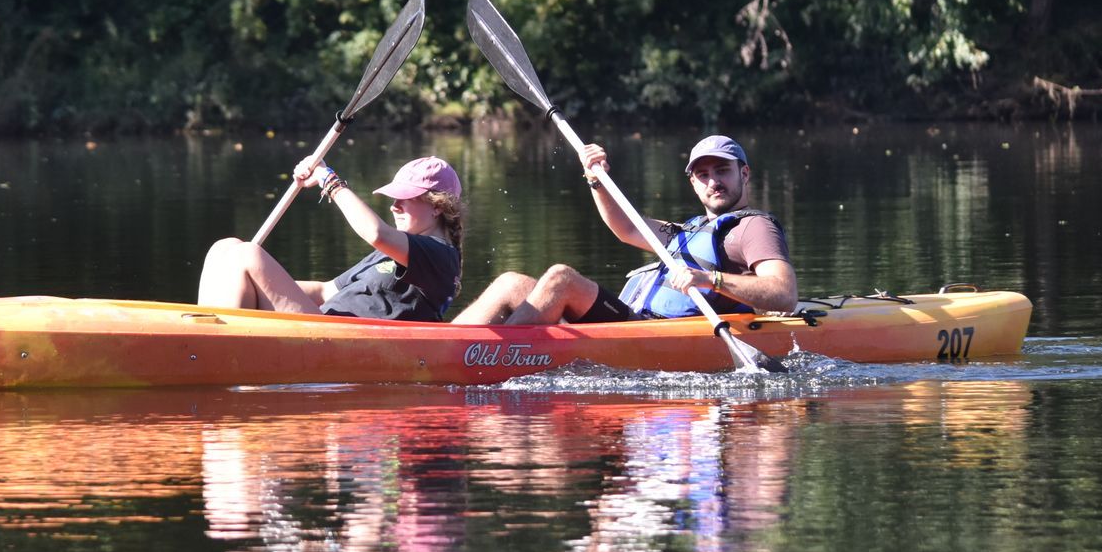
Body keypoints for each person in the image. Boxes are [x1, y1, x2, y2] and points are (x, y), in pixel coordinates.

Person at [453, 135, 795, 325]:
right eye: (703, 175)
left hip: (657, 332)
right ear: (692, 182)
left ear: (744, 174)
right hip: (633, 320)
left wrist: (710, 280)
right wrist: (596, 178)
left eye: (723, 170)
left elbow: (783, 293)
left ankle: (496, 357)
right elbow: (626, 225)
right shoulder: (689, 229)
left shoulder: (753, 226)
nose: (714, 181)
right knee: (512, 283)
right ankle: (449, 346)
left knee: (562, 279)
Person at [196, 155, 465, 320]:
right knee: (226, 248)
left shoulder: (441, 255)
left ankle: (214, 346)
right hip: (322, 322)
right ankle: (203, 333)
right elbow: (326, 290)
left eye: (405, 199)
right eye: (394, 199)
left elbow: (375, 233)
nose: (394, 206)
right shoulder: (392, 252)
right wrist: (256, 284)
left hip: (343, 341)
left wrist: (329, 180)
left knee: (248, 255)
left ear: (437, 206)